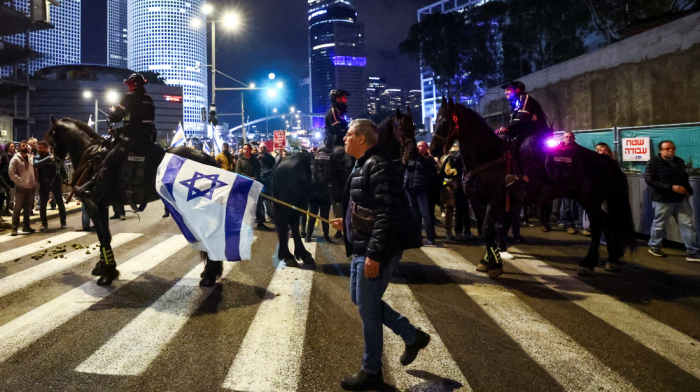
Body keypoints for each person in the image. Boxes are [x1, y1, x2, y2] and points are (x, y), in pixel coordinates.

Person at [330, 119, 427, 390]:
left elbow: (389, 212)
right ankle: (412, 336)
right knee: (360, 300)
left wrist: (374, 255)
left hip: (375, 249)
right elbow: (366, 205)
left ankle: (371, 370)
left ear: (362, 139)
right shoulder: (362, 164)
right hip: (363, 244)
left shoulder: (378, 165)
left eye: (349, 135)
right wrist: (346, 222)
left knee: (368, 309)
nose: (345, 139)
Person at [76, 73, 156, 206]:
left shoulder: (130, 96)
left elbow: (117, 117)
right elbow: (140, 123)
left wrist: (113, 114)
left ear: (131, 84)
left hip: (134, 140)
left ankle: (97, 191)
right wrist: (119, 131)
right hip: (149, 139)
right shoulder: (149, 99)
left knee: (109, 159)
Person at [645, 140, 699, 262]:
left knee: (687, 225)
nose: (671, 151)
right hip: (663, 200)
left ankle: (693, 252)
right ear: (660, 150)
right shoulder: (653, 163)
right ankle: (654, 246)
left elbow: (684, 177)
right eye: (667, 149)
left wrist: (689, 191)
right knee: (659, 225)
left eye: (673, 148)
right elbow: (649, 180)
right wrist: (671, 187)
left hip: (680, 199)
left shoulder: (679, 161)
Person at [497, 81, 551, 193]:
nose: (505, 92)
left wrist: (506, 129)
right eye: (505, 90)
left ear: (517, 90)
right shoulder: (513, 103)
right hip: (524, 135)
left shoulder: (524, 98)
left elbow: (521, 119)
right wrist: (505, 133)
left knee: (525, 149)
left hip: (538, 135)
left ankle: (524, 180)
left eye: (508, 90)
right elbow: (517, 125)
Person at [404, 141, 437, 244]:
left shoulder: (428, 159)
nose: (418, 147)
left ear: (427, 148)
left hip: (421, 189)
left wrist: (416, 154)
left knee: (425, 213)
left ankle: (430, 237)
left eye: (420, 145)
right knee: (414, 214)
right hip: (410, 188)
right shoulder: (412, 157)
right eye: (417, 145)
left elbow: (423, 164)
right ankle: (417, 235)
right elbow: (405, 165)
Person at [33, 141, 67, 231]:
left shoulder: (54, 157)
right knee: (43, 204)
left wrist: (65, 177)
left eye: (42, 148)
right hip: (44, 183)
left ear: (47, 148)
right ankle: (44, 224)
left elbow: (61, 166)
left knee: (60, 202)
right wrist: (48, 158)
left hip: (55, 181)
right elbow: (36, 164)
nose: (39, 149)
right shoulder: (38, 157)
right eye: (39, 148)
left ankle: (63, 222)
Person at [236, 144, 270, 231]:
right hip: (244, 185)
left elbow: (258, 171)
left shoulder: (255, 160)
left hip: (255, 184)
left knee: (258, 204)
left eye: (248, 149)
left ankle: (260, 222)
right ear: (242, 150)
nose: (246, 150)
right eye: (244, 149)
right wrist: (248, 178)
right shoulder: (240, 161)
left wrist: (255, 177)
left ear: (250, 150)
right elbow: (239, 173)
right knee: (245, 205)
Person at [8, 140, 37, 236]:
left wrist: (34, 181)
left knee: (28, 208)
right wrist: (21, 181)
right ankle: (15, 227)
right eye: (23, 145)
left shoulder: (31, 158)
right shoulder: (15, 159)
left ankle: (26, 226)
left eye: (26, 145)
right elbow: (11, 173)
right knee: (17, 208)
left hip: (31, 187)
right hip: (21, 188)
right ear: (19, 148)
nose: (25, 147)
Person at [258, 144, 275, 222]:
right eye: (260, 148)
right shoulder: (256, 158)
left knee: (267, 199)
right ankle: (260, 217)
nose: (261, 149)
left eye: (263, 148)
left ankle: (270, 215)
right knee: (259, 201)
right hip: (258, 181)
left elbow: (273, 168)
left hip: (267, 181)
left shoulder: (270, 158)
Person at [3, 142, 16, 216]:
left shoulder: (14, 155)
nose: (12, 148)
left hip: (11, 177)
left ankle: (8, 209)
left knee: (10, 195)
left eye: (13, 146)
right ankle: (5, 210)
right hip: (5, 177)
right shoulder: (5, 154)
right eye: (10, 146)